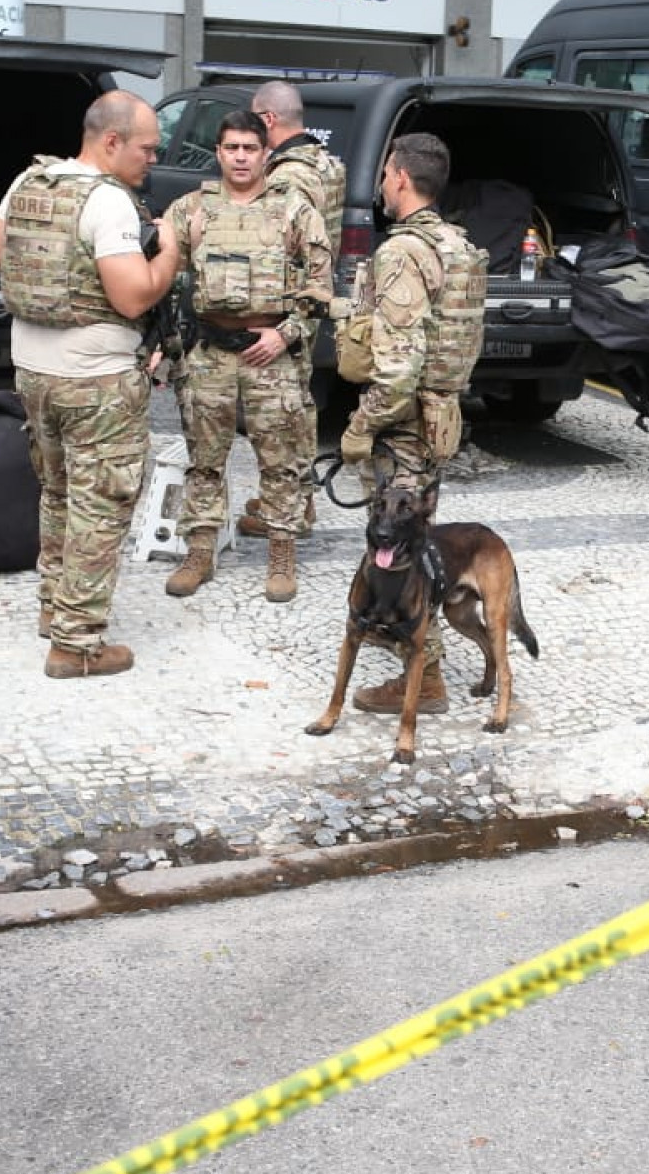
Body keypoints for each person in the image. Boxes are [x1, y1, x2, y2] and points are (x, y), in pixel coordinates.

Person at [0, 90, 180, 680]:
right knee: (104, 503)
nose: (153, 158)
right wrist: (168, 252)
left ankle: (54, 609)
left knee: (61, 493)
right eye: (147, 148)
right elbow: (134, 294)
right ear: (111, 141)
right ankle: (77, 643)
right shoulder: (109, 202)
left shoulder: (30, 182)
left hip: (34, 371)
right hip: (95, 379)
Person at [334, 132, 487, 716]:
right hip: (439, 416)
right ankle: (389, 630)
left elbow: (397, 369)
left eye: (384, 173)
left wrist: (358, 428)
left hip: (403, 426)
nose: (380, 182)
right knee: (414, 535)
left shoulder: (404, 251)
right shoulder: (458, 246)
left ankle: (425, 679)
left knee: (401, 548)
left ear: (398, 176)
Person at [160, 109, 332, 604]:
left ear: (265, 154)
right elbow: (165, 280)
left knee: (279, 460)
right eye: (231, 147)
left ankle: (281, 552)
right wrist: (170, 348)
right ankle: (200, 550)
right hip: (210, 351)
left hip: (269, 353)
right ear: (218, 152)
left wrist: (287, 334)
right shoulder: (191, 208)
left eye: (250, 148)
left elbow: (320, 286)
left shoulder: (294, 210)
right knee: (204, 460)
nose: (240, 157)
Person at [240, 80, 345, 541]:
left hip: (283, 314)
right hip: (309, 306)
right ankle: (297, 502)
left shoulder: (286, 177)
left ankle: (284, 511)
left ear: (267, 120)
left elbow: (282, 254)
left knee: (277, 416)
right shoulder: (327, 163)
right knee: (298, 408)